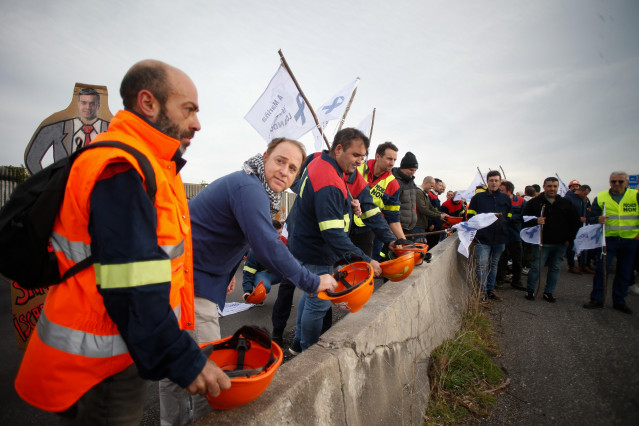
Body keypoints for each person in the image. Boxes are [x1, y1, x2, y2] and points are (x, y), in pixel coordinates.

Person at [14, 60, 231, 424]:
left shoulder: (154, 164)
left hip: (119, 347)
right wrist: (182, 357)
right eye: (188, 109)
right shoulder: (122, 166)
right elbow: (132, 282)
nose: (197, 122)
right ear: (149, 103)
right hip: (100, 364)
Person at [161, 137, 338, 424]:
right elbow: (267, 245)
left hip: (184, 280)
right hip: (189, 286)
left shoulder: (252, 185)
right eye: (280, 161)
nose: (284, 171)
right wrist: (313, 282)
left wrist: (228, 275)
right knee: (206, 374)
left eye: (293, 168)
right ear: (265, 156)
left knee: (176, 367)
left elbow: (233, 235)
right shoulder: (250, 188)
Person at [287, 128, 397, 353]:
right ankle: (307, 350)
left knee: (310, 295)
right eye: (356, 155)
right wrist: (366, 260)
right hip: (316, 248)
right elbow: (334, 235)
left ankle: (298, 343)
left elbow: (368, 206)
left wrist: (391, 240)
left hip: (307, 243)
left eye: (363, 157)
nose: (360, 162)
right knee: (319, 302)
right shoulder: (329, 180)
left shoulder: (334, 168)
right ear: (338, 149)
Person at [583, 172, 639, 314]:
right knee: (602, 270)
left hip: (630, 240)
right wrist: (598, 219)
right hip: (608, 240)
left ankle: (619, 301)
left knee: (625, 272)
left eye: (620, 181)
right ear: (609, 182)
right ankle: (597, 298)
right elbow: (591, 218)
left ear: (626, 182)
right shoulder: (601, 197)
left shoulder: (635, 195)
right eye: (614, 181)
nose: (617, 184)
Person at [24, 87, 111, 174]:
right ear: (78, 104)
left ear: (98, 105)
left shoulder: (112, 131)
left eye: (92, 104)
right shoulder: (57, 128)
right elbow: (32, 159)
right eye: (84, 103)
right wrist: (48, 185)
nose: (88, 107)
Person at [522, 177, 580, 302]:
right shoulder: (535, 202)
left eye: (554, 186)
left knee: (555, 268)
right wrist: (535, 221)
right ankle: (530, 290)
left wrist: (570, 238)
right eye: (549, 186)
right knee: (537, 267)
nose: (552, 189)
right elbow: (524, 219)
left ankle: (549, 292)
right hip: (542, 242)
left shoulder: (565, 203)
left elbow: (574, 222)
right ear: (544, 187)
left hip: (560, 243)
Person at [351, 141, 405, 259]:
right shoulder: (357, 167)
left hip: (367, 229)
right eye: (389, 159)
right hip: (345, 224)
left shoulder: (393, 184)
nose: (392, 163)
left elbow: (393, 218)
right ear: (378, 156)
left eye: (395, 160)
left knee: (364, 265)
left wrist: (403, 242)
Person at [467, 170, 511, 301]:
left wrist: (503, 224)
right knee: (482, 265)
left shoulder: (505, 198)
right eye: (491, 180)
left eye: (496, 180)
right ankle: (482, 291)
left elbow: (509, 216)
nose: (494, 183)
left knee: (494, 264)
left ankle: (490, 289)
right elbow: (470, 216)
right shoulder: (478, 198)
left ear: (500, 181)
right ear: (487, 181)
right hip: (483, 238)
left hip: (500, 238)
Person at [241, 219, 286, 302]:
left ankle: (284, 301)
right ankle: (258, 295)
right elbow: (248, 273)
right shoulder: (255, 251)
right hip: (262, 274)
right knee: (265, 286)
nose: (280, 236)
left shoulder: (283, 242)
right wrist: (247, 291)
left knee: (291, 276)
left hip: (276, 272)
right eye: (277, 233)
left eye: (281, 232)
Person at [496, 180, 526, 291]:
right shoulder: (498, 200)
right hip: (501, 235)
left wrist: (512, 218)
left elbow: (525, 217)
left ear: (509, 191)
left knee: (517, 260)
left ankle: (517, 281)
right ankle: (500, 280)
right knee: (501, 259)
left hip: (515, 235)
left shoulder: (521, 201)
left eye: (501, 190)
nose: (499, 191)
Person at [414, 176, 449, 245]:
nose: (432, 188)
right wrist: (439, 216)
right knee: (418, 247)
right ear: (426, 183)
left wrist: (442, 214)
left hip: (422, 225)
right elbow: (423, 209)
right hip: (417, 225)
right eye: (431, 186)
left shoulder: (425, 194)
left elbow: (431, 208)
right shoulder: (418, 192)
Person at [392, 152, 419, 236]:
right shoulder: (394, 181)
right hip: (396, 228)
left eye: (415, 170)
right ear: (403, 167)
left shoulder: (412, 182)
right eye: (411, 170)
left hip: (410, 228)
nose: (413, 172)